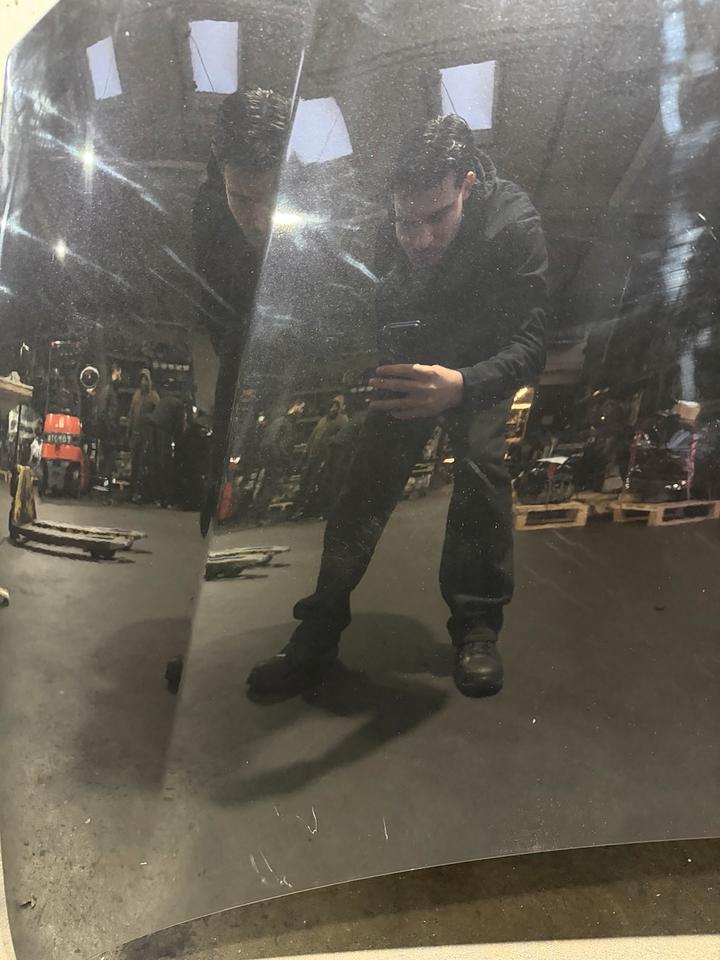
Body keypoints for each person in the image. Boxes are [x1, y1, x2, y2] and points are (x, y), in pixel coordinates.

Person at [248, 114, 548, 699]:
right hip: (414, 356)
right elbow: (376, 298)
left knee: (481, 468)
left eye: (436, 218)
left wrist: (463, 383)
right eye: (406, 222)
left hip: (479, 367)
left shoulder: (514, 224)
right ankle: (318, 629)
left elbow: (532, 344)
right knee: (364, 481)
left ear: (467, 185)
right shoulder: (395, 225)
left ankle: (477, 629)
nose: (420, 239)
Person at [193, 88, 291, 534]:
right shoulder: (208, 210)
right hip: (234, 342)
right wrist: (234, 346)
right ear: (222, 172)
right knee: (221, 443)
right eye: (244, 199)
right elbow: (209, 301)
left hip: (289, 343)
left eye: (273, 197)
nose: (262, 219)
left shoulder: (311, 196)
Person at [295, 396, 348, 518]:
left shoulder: (342, 420)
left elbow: (342, 438)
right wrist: (306, 452)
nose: (333, 408)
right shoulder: (324, 420)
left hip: (326, 458)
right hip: (313, 456)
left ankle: (313, 509)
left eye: (336, 406)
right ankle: (301, 508)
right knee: (306, 482)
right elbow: (313, 437)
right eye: (332, 405)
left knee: (318, 483)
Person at [128, 368, 159, 502]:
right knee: (134, 464)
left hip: (147, 436)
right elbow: (131, 413)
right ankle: (132, 491)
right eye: (142, 379)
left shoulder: (153, 396)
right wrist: (129, 430)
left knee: (143, 464)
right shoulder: (136, 395)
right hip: (135, 435)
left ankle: (141, 492)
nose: (143, 382)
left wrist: (149, 419)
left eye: (146, 379)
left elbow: (158, 414)